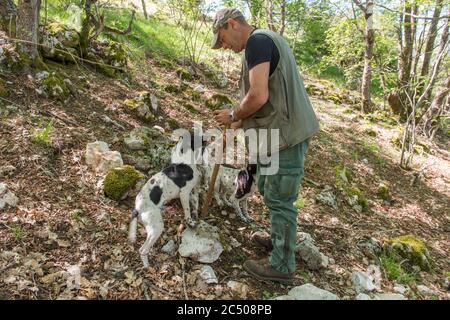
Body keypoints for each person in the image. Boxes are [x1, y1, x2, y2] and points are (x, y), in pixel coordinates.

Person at [211, 8, 320, 283]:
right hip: (276, 134)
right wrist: (240, 122)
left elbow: (258, 95)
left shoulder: (257, 42)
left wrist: (235, 114)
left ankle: (282, 266)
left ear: (232, 24)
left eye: (222, 38)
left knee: (280, 198)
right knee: (270, 189)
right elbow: (267, 97)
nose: (224, 46)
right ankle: (278, 240)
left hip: (285, 136)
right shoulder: (263, 41)